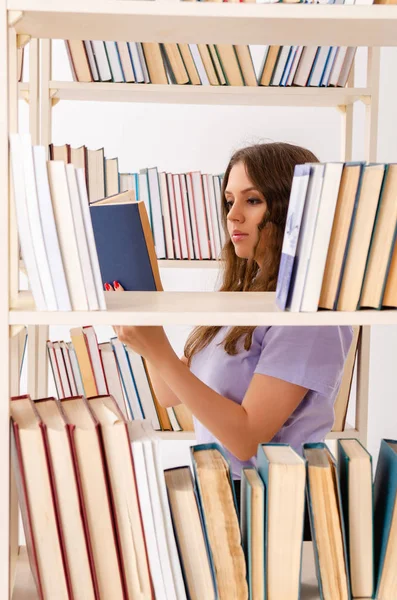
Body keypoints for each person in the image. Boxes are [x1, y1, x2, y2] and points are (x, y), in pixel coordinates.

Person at [110, 142, 353, 534]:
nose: (233, 216)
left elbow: (247, 439)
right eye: (229, 201)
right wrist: (142, 327)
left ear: (292, 208)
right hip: (227, 492)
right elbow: (170, 393)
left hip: (274, 507)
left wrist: (157, 350)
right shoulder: (251, 298)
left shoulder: (310, 316)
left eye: (252, 200)